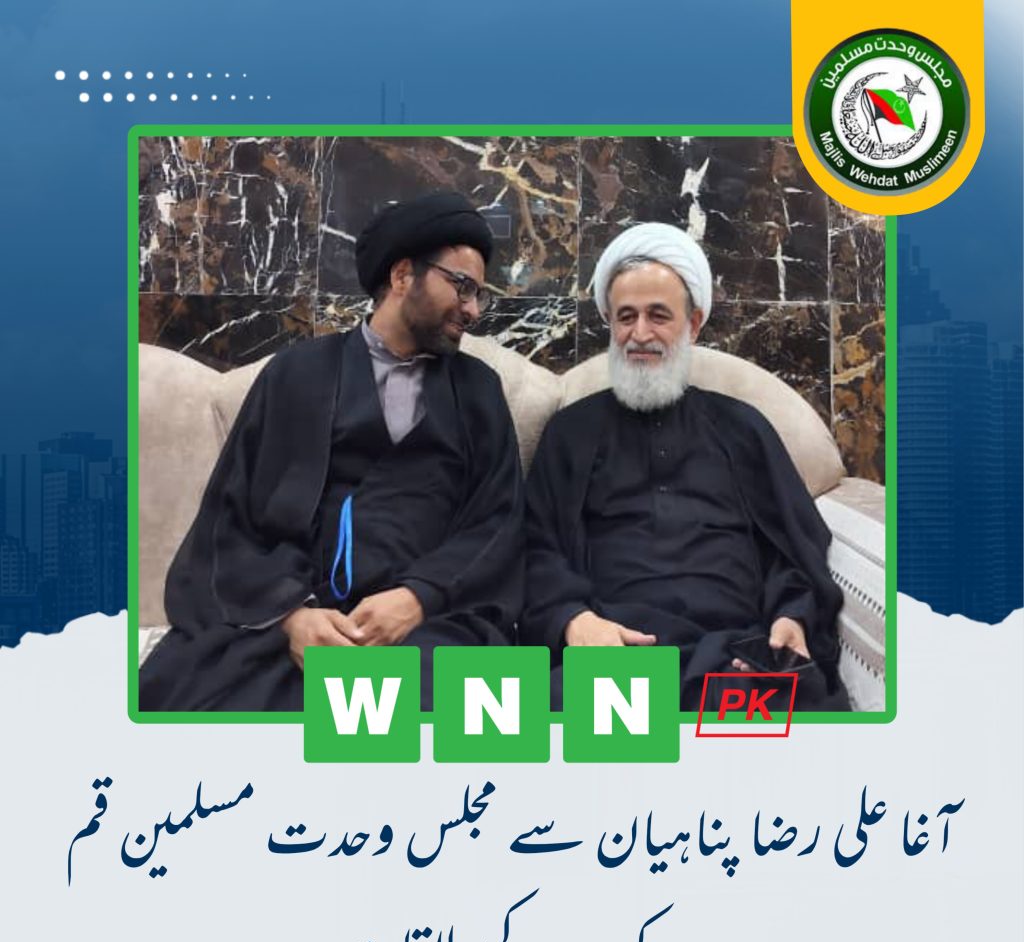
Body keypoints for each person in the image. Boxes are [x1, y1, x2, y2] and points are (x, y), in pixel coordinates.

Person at [141, 192, 524, 712]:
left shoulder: (478, 390)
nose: (473, 309)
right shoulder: (297, 374)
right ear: (402, 276)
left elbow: (498, 523)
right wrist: (291, 617)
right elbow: (233, 522)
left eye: (479, 294)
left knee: (454, 699)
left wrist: (417, 597)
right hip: (298, 616)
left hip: (429, 623)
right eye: (462, 286)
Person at [521, 222, 849, 711]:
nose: (640, 334)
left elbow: (794, 548)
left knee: (804, 711)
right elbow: (534, 548)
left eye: (658, 315)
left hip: (735, 656)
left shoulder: (743, 428)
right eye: (626, 317)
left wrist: (792, 616)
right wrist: (572, 619)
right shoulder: (571, 432)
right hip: (614, 659)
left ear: (693, 325)